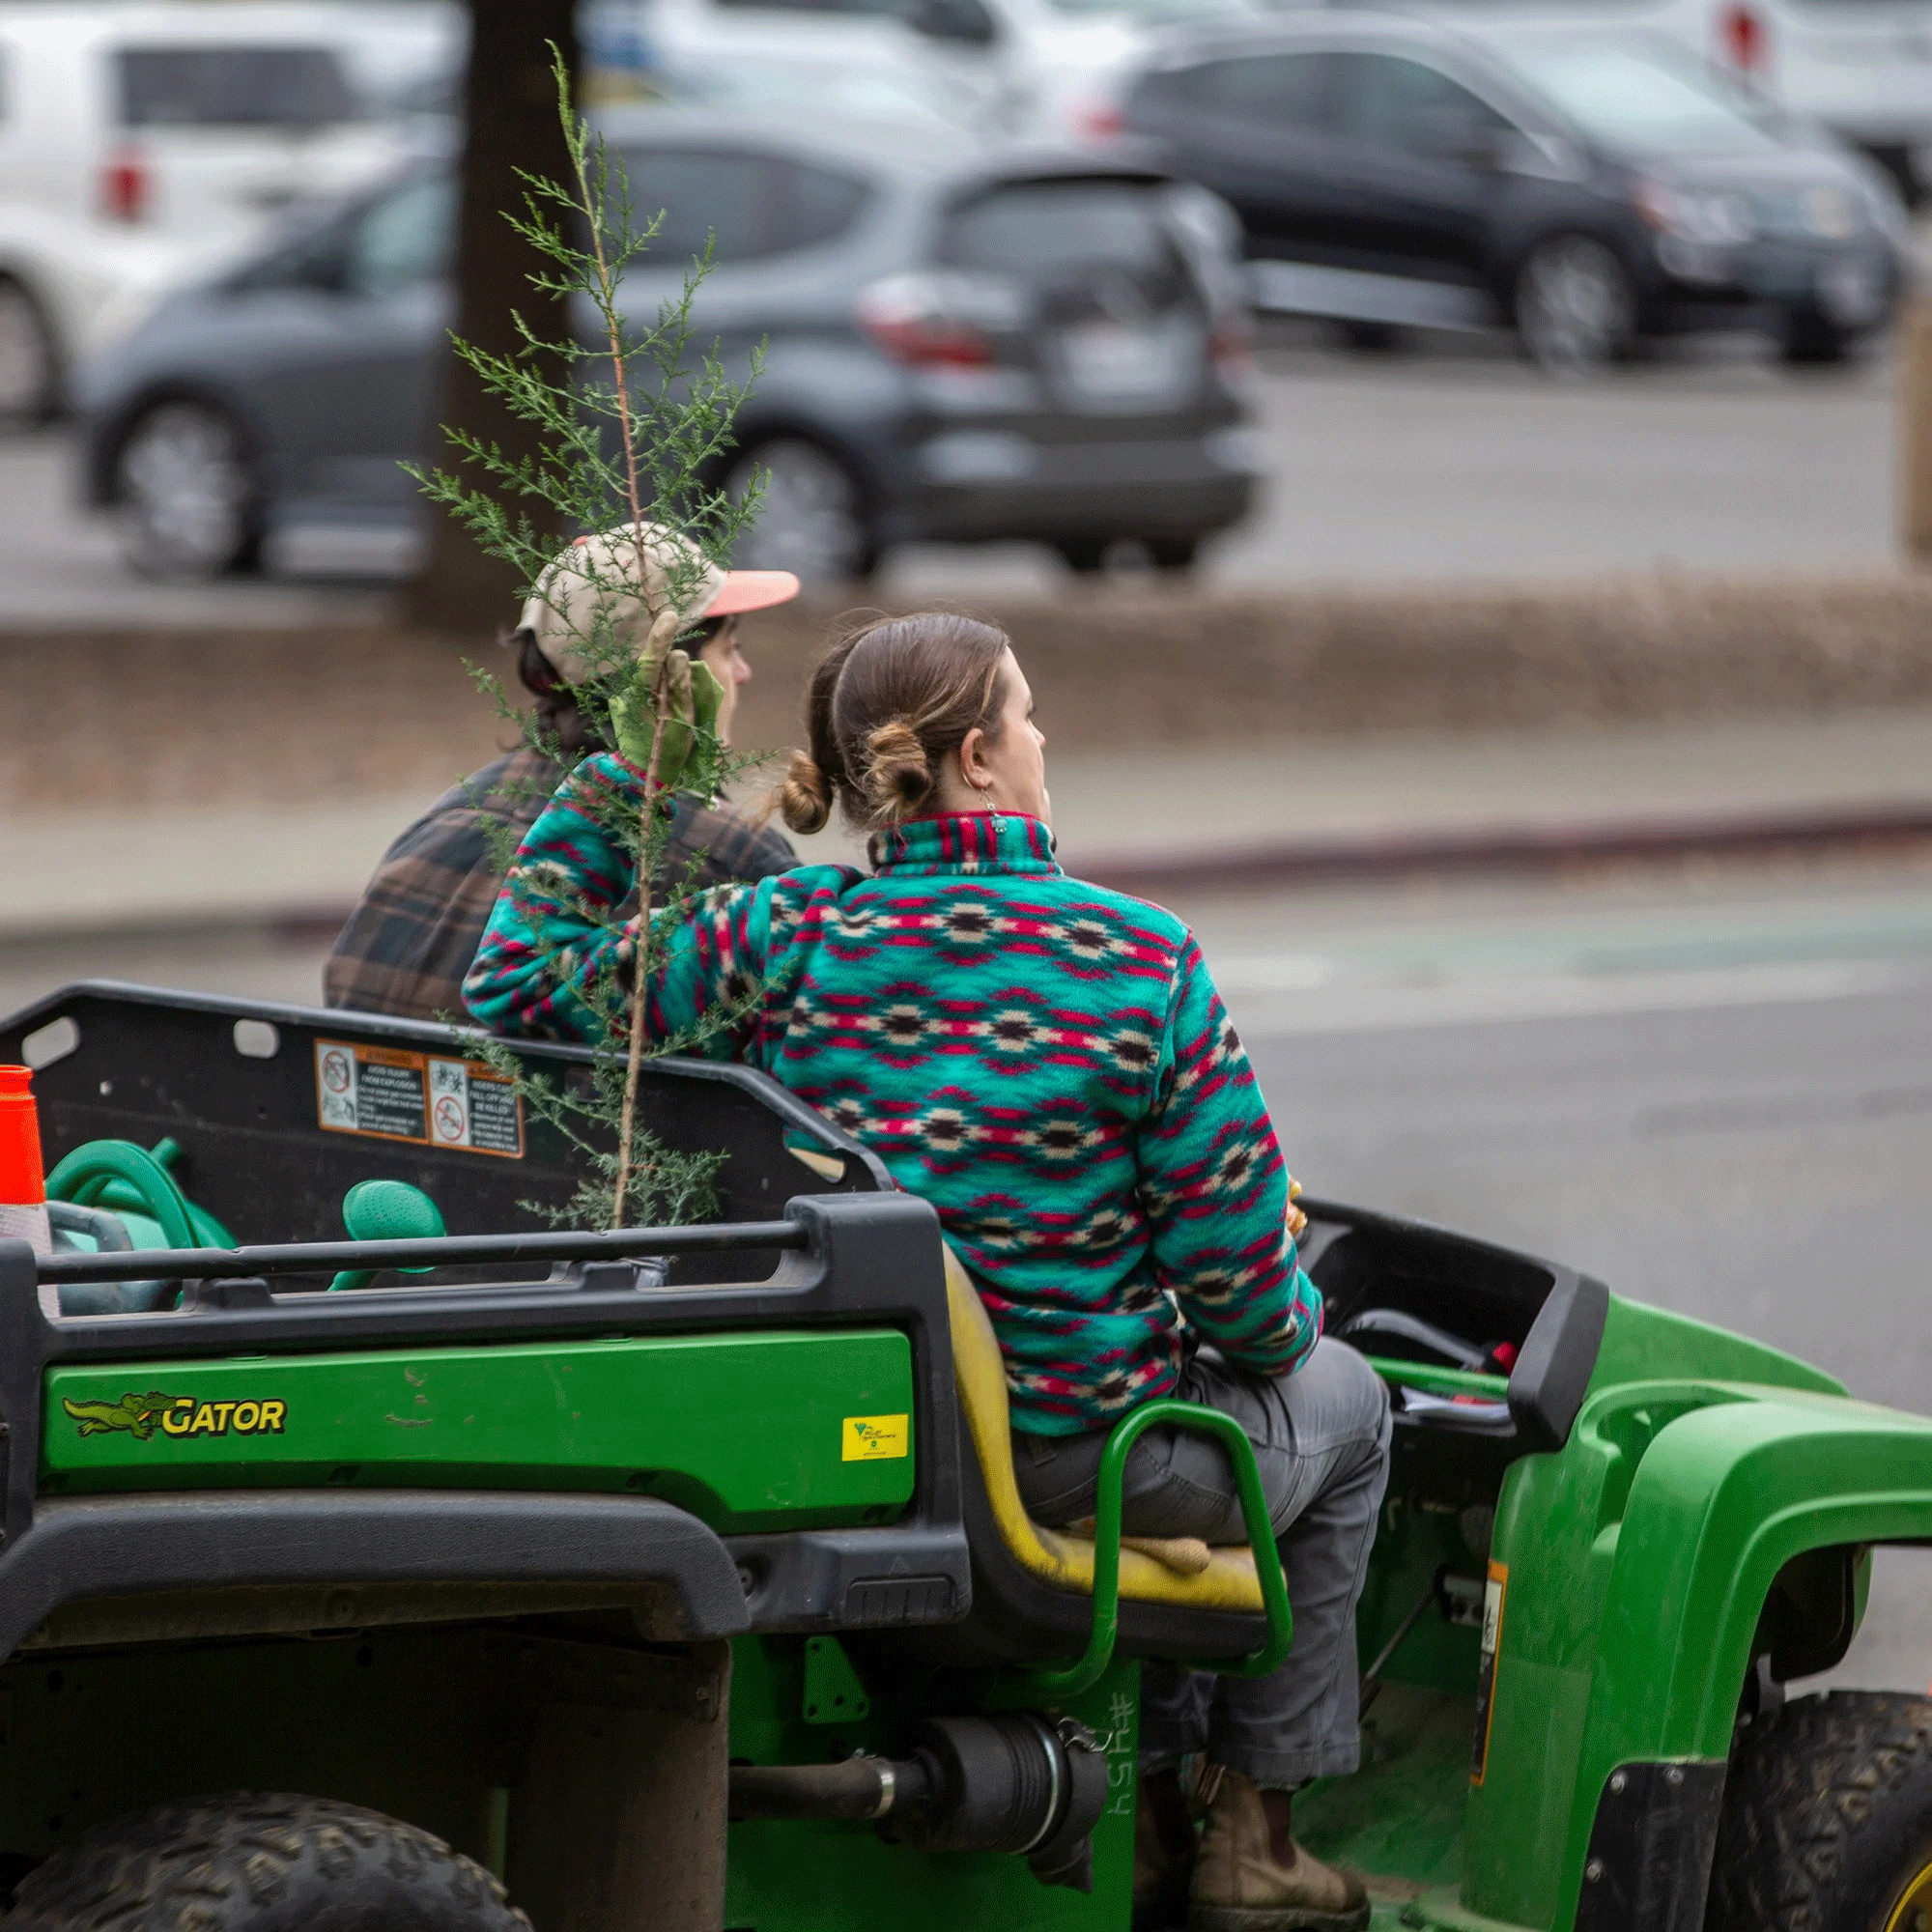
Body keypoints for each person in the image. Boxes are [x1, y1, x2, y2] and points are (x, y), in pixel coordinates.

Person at [465, 611, 1392, 1932]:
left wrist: (630, 775)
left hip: (866, 1445)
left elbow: (513, 991)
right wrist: (1282, 1300)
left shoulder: (785, 935)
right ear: (973, 756)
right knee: (1344, 1407)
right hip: (1074, 1456)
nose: (1043, 734)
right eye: (1025, 713)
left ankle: (1162, 1810)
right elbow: (1247, 1306)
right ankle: (1261, 1836)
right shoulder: (1138, 961)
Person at [322, 522, 803, 1021]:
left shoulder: (449, 816)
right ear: (671, 674)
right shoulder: (728, 859)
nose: (742, 672)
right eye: (730, 648)